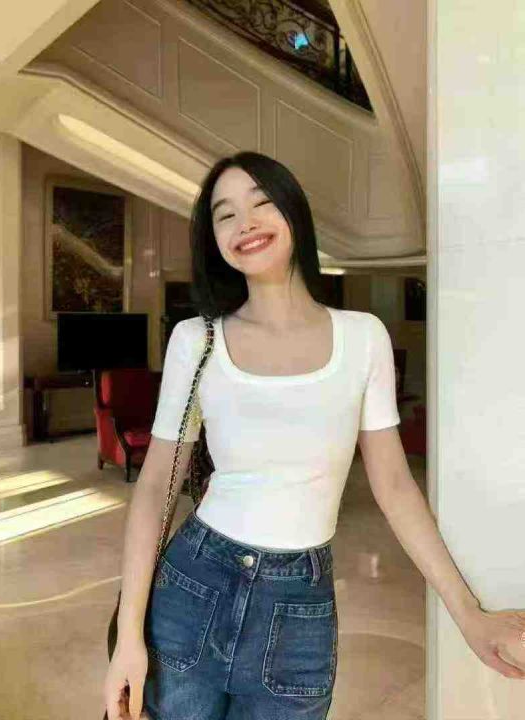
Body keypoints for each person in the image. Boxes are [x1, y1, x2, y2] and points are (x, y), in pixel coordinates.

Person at [104, 152, 525, 720]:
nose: (245, 222)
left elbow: (395, 486)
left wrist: (467, 612)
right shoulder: (196, 339)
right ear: (214, 239)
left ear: (293, 212)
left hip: (299, 606)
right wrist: (130, 636)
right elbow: (156, 485)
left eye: (261, 202)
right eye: (225, 214)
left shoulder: (363, 338)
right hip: (193, 586)